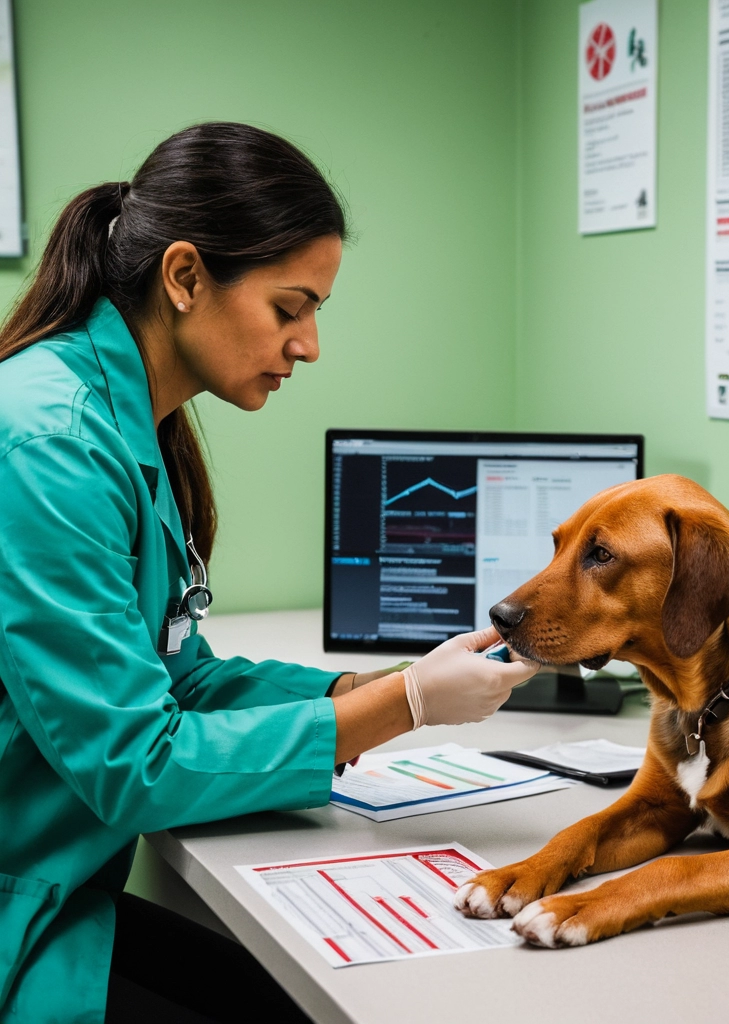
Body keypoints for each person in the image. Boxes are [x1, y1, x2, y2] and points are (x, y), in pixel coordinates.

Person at [0, 122, 538, 1023]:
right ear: (183, 278)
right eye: (290, 308)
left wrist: (380, 683)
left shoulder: (125, 417)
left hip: (60, 885)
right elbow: (137, 765)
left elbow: (183, 676)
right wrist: (402, 707)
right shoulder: (51, 442)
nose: (309, 345)